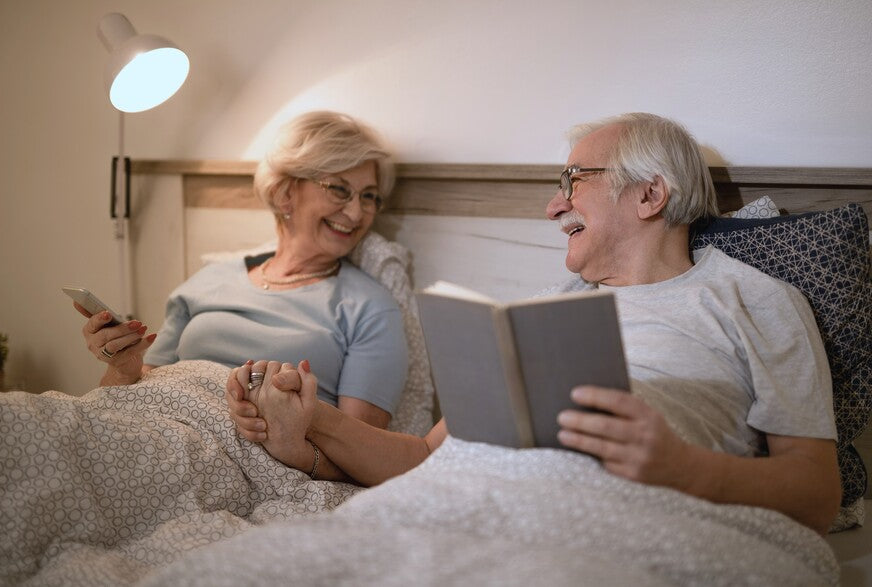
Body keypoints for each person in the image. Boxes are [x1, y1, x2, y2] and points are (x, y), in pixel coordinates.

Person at [227, 112, 841, 535]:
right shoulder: (542, 312)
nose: (553, 206)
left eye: (574, 181)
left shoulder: (756, 301)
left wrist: (683, 469)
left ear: (650, 195)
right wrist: (313, 422)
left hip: (626, 515)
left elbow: (817, 497)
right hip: (475, 506)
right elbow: (422, 459)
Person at [75, 110, 408, 431]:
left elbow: (362, 449)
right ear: (285, 193)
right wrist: (122, 368)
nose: (355, 212)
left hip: (239, 458)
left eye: (369, 197)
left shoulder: (370, 308)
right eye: (339, 189)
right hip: (152, 429)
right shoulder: (209, 280)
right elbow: (127, 397)